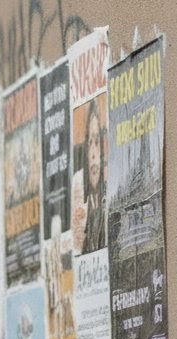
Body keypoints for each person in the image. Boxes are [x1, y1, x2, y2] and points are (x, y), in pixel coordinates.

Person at [81, 97, 106, 254]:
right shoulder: (83, 220)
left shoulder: (106, 212)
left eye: (97, 142)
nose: (93, 154)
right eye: (90, 143)